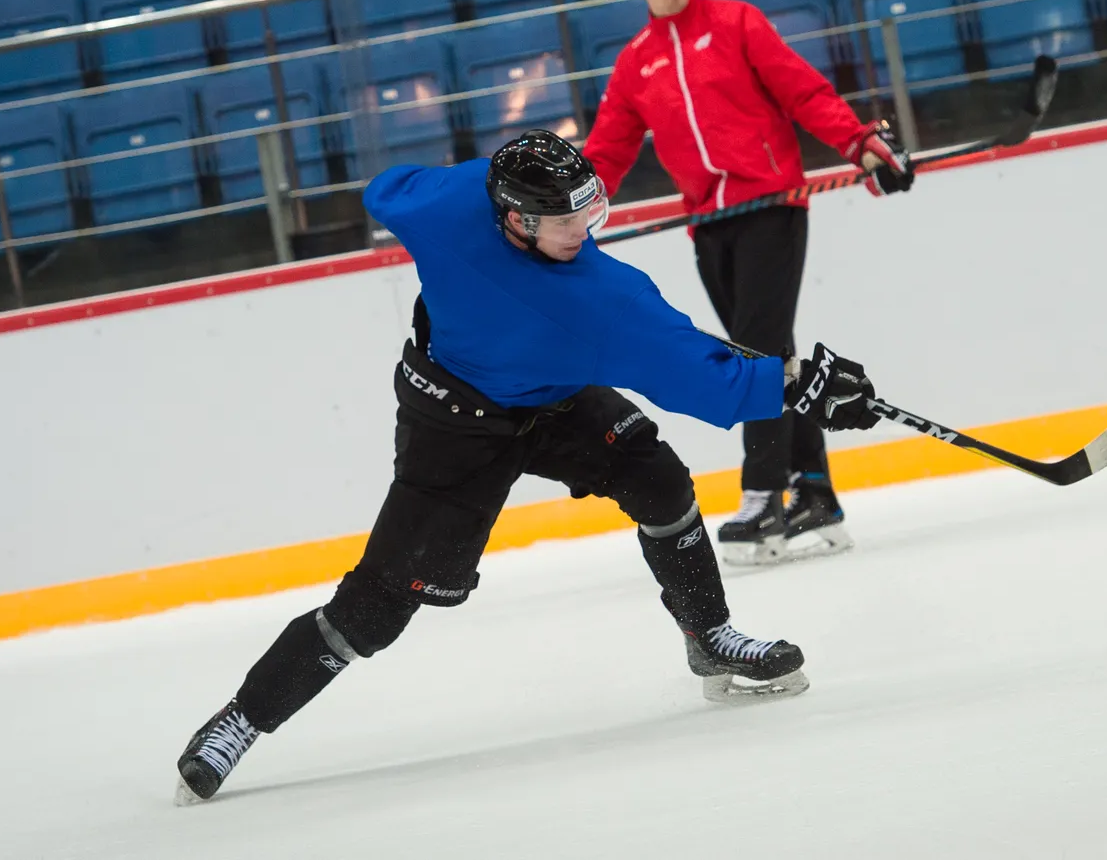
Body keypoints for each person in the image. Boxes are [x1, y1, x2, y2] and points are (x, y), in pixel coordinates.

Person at [172, 131, 884, 804]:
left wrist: (796, 391)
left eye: (589, 210)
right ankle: (244, 718)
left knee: (659, 479)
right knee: (379, 606)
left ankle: (709, 638)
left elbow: (702, 373)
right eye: (563, 221)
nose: (585, 231)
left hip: (554, 401)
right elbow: (389, 193)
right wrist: (791, 387)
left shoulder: (598, 289)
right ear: (511, 217)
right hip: (454, 425)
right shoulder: (470, 220)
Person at [583, 0, 916, 566]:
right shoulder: (634, 63)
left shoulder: (737, 23)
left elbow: (802, 90)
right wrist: (567, 212)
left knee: (758, 353)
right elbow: (608, 151)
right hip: (709, 222)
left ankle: (763, 494)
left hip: (771, 207)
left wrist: (859, 144)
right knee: (768, 355)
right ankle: (814, 491)